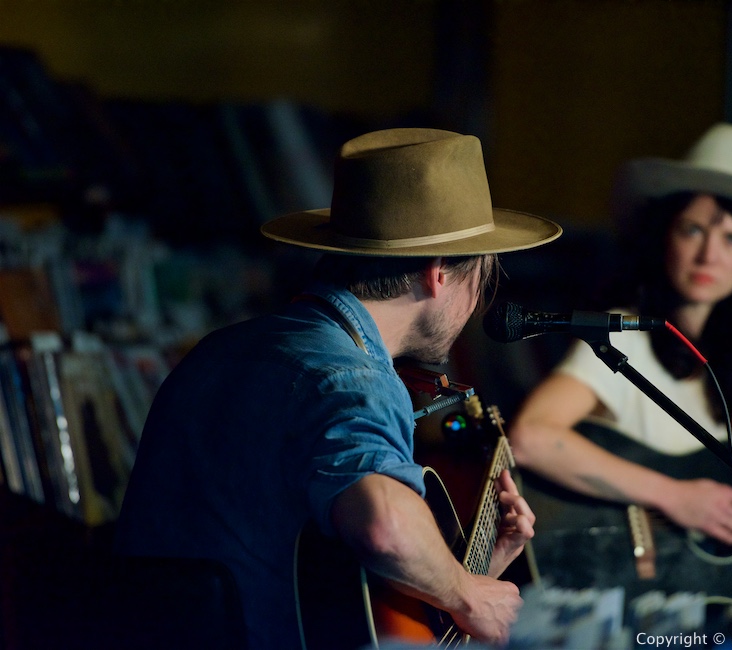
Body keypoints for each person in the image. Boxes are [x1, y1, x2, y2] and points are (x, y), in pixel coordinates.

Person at [113, 128, 562, 650]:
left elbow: (333, 586)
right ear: (439, 273)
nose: (476, 305)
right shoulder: (355, 380)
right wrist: (468, 595)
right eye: (481, 279)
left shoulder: (216, 351)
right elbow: (382, 526)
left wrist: (476, 566)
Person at [508, 123, 732, 568]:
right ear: (664, 238)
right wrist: (672, 496)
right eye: (693, 230)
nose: (709, 254)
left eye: (731, 238)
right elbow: (531, 437)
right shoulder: (621, 337)